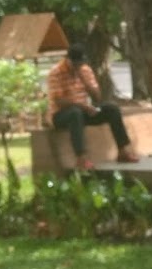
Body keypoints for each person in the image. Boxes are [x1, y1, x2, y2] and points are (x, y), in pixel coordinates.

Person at [46, 43, 140, 172]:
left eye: (80, 64)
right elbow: (59, 101)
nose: (78, 67)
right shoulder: (55, 72)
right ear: (68, 60)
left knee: (112, 109)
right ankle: (81, 158)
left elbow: (97, 97)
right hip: (61, 115)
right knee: (75, 113)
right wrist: (82, 106)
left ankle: (122, 150)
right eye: (75, 64)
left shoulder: (85, 70)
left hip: (82, 111)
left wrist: (85, 82)